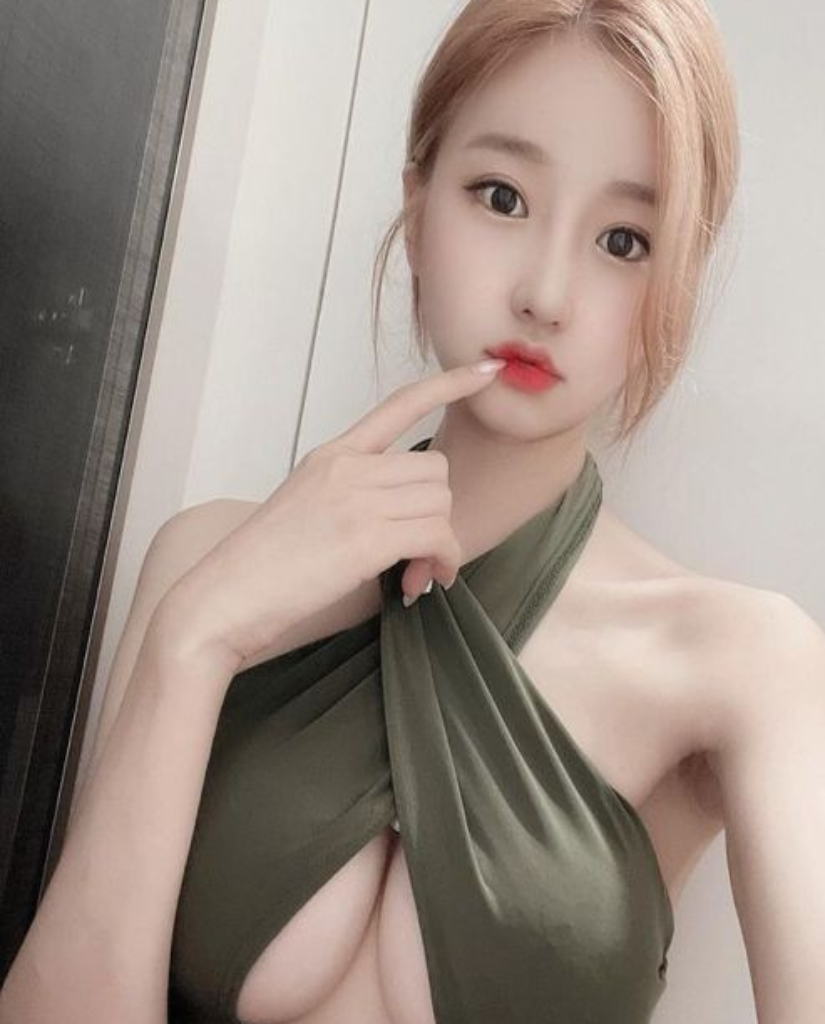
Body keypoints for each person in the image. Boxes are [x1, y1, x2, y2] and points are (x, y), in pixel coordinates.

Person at [2, 1, 824, 1022]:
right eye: (501, 195)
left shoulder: (743, 666)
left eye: (623, 239)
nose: (546, 292)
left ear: (676, 287)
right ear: (418, 209)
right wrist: (197, 635)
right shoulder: (206, 563)